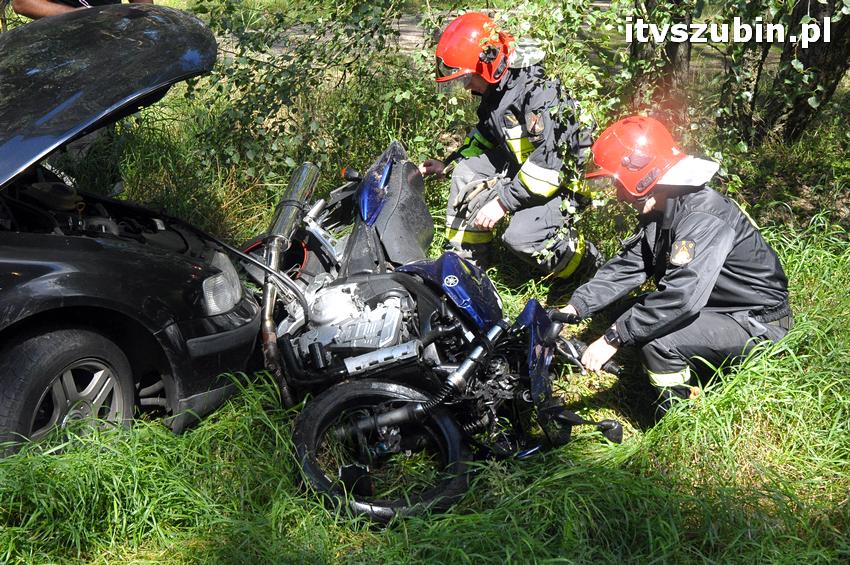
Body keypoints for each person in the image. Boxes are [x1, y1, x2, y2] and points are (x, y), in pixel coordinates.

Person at [558, 115, 793, 416]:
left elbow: (682, 297)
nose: (619, 196)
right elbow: (631, 264)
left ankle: (678, 415)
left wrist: (613, 337)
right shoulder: (665, 206)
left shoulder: (703, 216)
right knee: (625, 312)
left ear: (643, 178)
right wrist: (576, 307)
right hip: (717, 306)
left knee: (659, 342)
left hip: (756, 322)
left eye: (620, 185)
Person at [419, 12, 602, 278]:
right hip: (530, 172)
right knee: (465, 173)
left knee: (520, 236)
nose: (467, 85)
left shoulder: (537, 92)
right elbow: (486, 135)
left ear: (487, 64)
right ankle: (469, 264)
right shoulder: (498, 89)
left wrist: (502, 203)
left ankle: (588, 266)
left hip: (565, 185)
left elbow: (550, 164)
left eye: (468, 77)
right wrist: (449, 164)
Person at [11, 0, 150, 20]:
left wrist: (146, 16)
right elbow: (22, 3)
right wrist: (82, 14)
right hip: (69, 37)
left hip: (116, 30)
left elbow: (142, 2)